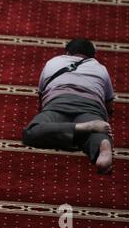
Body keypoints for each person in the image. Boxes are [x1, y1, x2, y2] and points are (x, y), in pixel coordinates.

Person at [22, 38, 115, 174]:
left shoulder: (53, 62)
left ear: (67, 52)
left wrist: (47, 116)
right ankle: (101, 142)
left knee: (31, 132)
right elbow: (109, 106)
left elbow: (41, 96)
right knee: (94, 134)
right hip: (91, 107)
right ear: (92, 55)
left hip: (57, 103)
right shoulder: (100, 68)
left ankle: (77, 129)